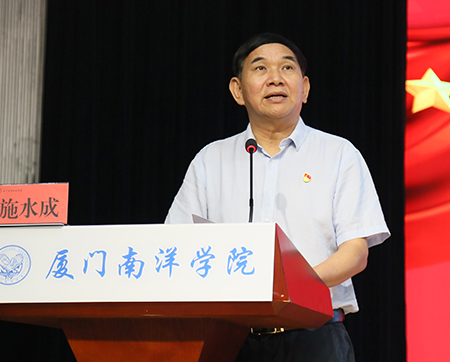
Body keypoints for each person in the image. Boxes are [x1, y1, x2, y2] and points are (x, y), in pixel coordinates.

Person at [165, 33, 390, 361]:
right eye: (260, 68)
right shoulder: (210, 160)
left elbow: (355, 253)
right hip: (230, 338)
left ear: (305, 88)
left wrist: (291, 287)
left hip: (314, 337)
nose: (275, 78)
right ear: (237, 90)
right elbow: (178, 244)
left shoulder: (339, 154)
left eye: (287, 68)